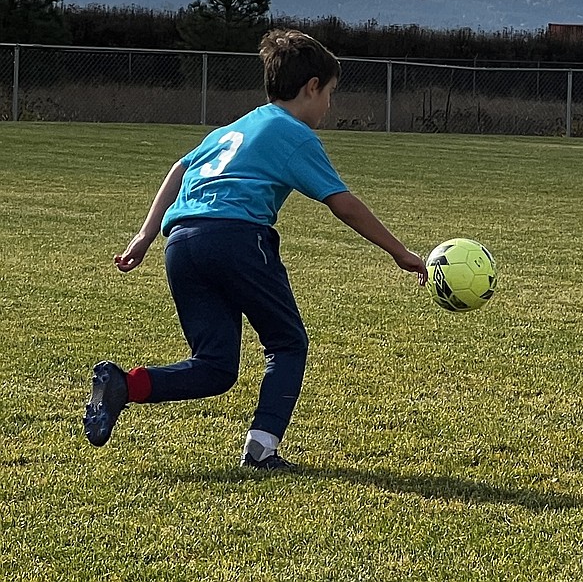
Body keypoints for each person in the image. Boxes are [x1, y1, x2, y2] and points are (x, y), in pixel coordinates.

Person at [83, 28, 428, 470]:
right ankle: (261, 450)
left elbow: (178, 168)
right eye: (331, 94)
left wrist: (145, 235)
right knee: (287, 343)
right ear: (312, 87)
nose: (329, 105)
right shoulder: (293, 132)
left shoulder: (233, 128)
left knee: (216, 367)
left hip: (182, 243)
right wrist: (399, 252)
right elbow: (342, 203)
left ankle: (123, 387)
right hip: (237, 239)